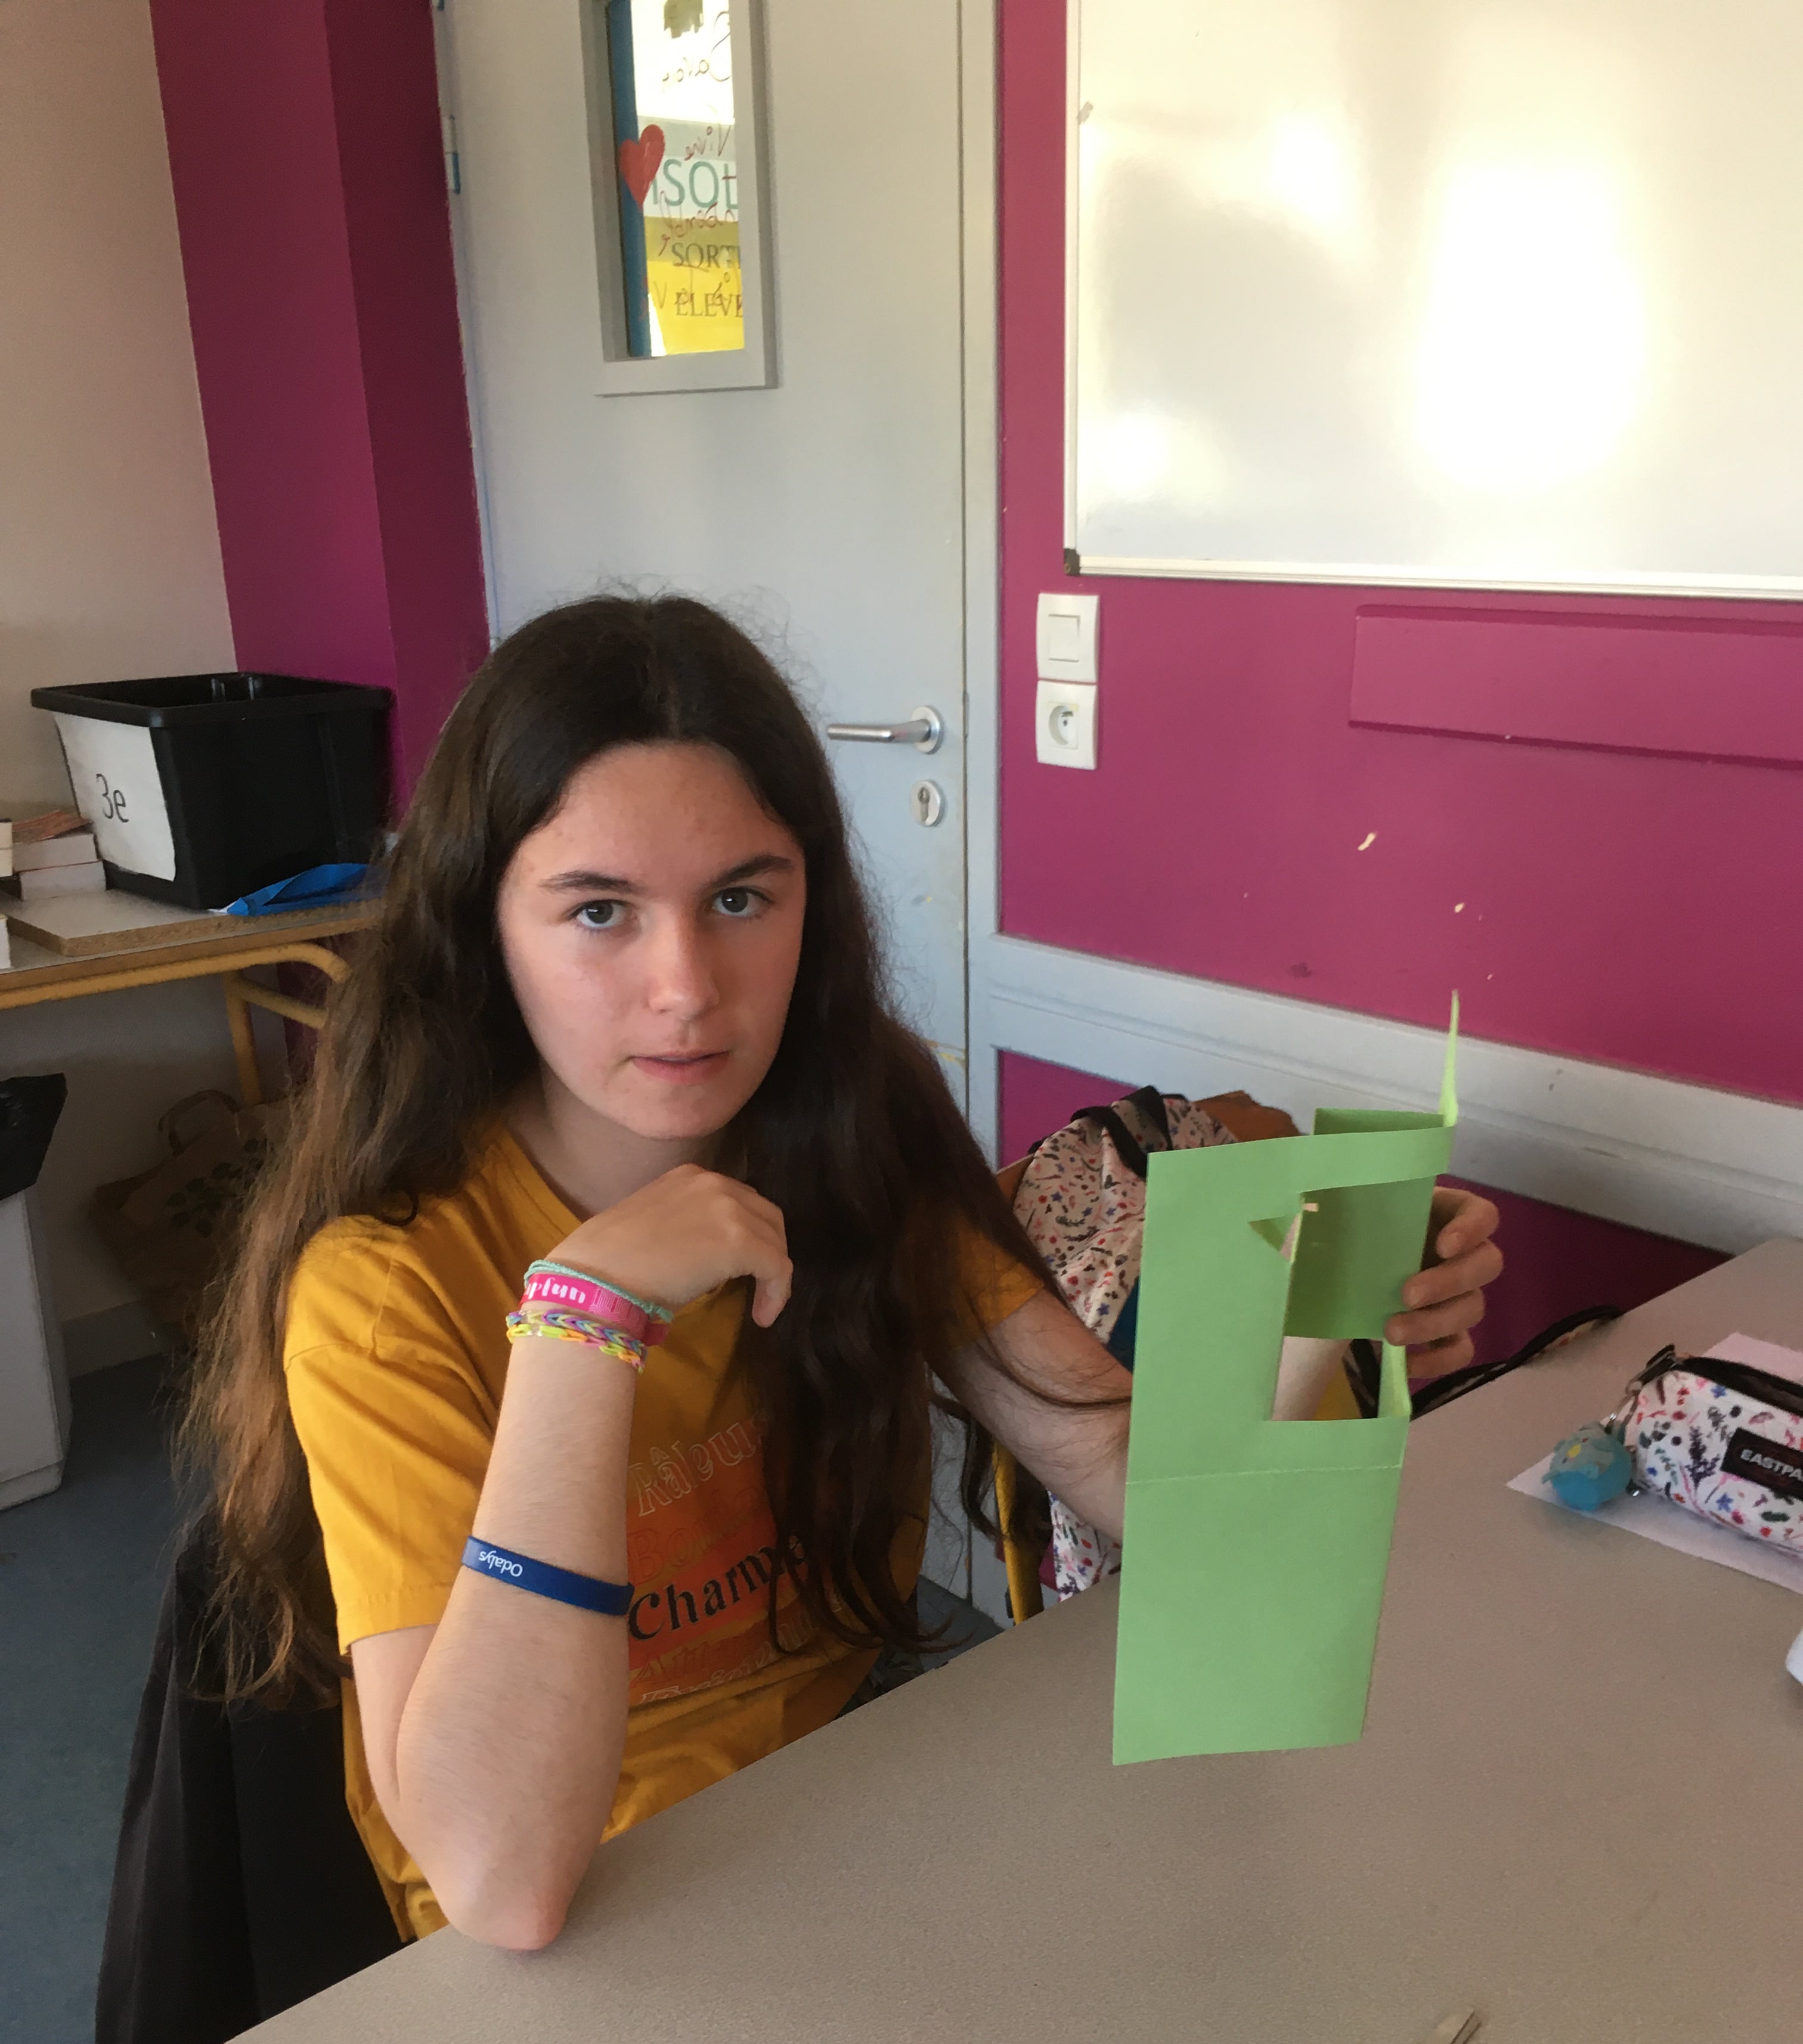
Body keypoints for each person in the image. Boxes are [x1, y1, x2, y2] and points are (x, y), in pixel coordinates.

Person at [188, 596, 1501, 1952]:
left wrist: (1323, 1310)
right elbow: (500, 1884)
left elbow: (1160, 1502)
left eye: (740, 898)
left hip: (849, 1822)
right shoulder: (383, 1286)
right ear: (483, 929)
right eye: (599, 911)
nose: (687, 986)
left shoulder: (850, 1137)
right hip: (583, 1924)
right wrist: (588, 1318)